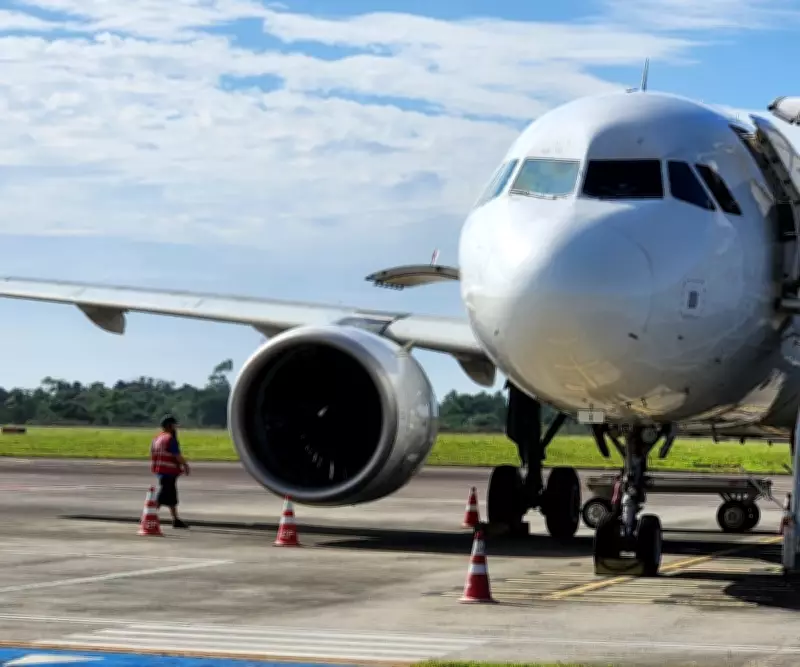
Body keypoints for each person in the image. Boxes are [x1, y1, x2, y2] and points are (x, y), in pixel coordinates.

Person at [150, 414, 190, 528]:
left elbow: (152, 453)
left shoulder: (157, 438)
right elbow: (177, 455)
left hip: (160, 471)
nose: (175, 428)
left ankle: (176, 520)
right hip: (168, 472)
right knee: (162, 496)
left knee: (171, 497)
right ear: (169, 426)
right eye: (173, 425)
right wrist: (185, 465)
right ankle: (149, 515)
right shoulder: (170, 439)